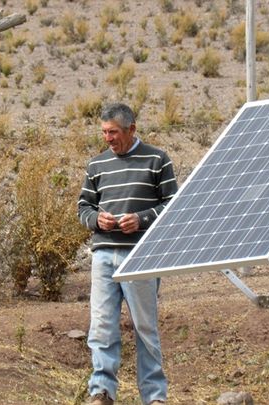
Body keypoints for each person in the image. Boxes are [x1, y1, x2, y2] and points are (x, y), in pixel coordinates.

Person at [77, 103, 178, 405]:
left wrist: (142, 218)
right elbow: (83, 208)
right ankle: (102, 392)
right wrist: (97, 220)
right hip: (103, 254)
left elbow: (174, 205)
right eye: (104, 132)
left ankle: (155, 397)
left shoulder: (157, 159)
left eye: (113, 132)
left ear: (132, 129)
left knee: (145, 328)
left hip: (141, 256)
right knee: (102, 327)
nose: (108, 138)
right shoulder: (96, 165)